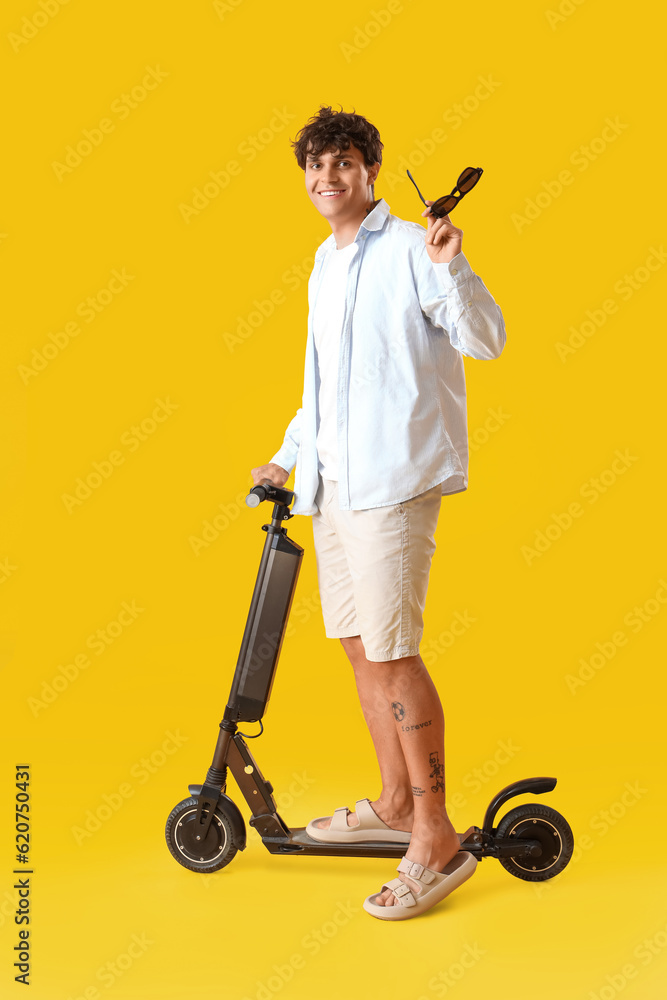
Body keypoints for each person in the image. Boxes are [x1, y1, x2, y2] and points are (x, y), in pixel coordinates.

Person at [250, 105, 506, 920]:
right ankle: (396, 802)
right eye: (315, 165)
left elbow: (486, 340)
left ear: (369, 171)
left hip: (394, 484)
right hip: (334, 488)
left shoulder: (412, 249)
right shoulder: (324, 265)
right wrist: (287, 457)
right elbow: (319, 389)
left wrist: (453, 267)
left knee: (393, 655)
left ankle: (435, 837)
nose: (328, 178)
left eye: (344, 163)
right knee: (361, 649)